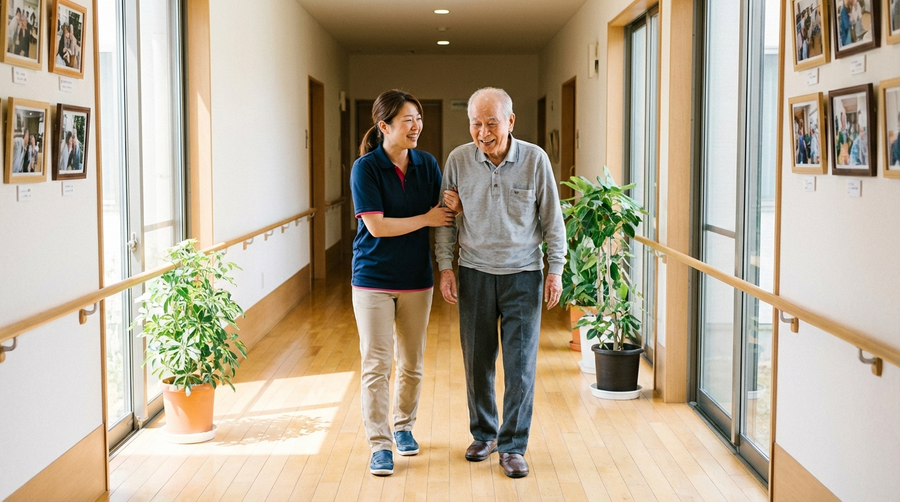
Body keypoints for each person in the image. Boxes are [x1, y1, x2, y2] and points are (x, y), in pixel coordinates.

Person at [434, 87, 566, 479]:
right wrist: (445, 267)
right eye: (476, 123)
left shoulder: (535, 160)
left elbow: (552, 219)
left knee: (520, 365)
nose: (483, 131)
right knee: (477, 362)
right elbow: (446, 219)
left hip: (523, 275)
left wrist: (555, 269)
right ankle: (485, 434)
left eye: (492, 122)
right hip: (474, 272)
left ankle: (512, 445)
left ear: (510, 122)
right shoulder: (459, 160)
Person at [349, 89, 455, 477]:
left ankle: (404, 427)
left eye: (419, 119)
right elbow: (375, 226)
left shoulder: (427, 165)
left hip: (416, 280)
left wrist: (447, 211)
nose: (416, 127)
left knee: (411, 364)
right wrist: (426, 219)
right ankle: (379, 445)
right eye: (408, 120)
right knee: (376, 364)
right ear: (384, 126)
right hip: (373, 280)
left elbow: (444, 213)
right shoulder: (366, 168)